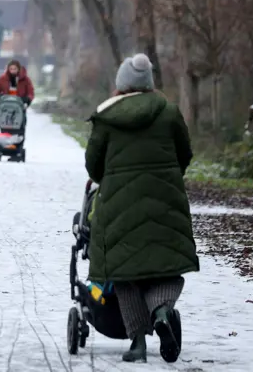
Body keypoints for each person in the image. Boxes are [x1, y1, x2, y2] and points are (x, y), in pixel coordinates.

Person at [85, 53, 197, 364]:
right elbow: (184, 154)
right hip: (166, 201)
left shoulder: (107, 116)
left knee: (124, 275)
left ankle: (137, 343)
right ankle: (161, 312)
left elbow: (93, 166)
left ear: (121, 84)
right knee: (167, 269)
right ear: (148, 84)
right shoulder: (169, 112)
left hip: (118, 207)